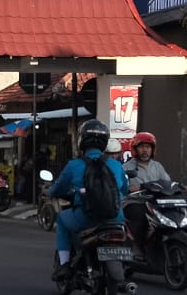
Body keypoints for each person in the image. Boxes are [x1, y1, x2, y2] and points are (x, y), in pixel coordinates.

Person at [50, 120, 129, 281]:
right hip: (116, 218)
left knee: (62, 220)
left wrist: (51, 191)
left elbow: (58, 189)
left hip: (86, 218)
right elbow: (124, 189)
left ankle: (64, 265)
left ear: (82, 140)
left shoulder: (74, 165)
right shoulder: (116, 165)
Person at [122, 132, 177, 244]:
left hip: (156, 202)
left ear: (152, 149)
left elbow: (167, 182)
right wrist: (129, 187)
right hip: (135, 202)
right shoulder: (126, 167)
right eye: (142, 147)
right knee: (141, 215)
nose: (145, 150)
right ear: (135, 149)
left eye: (148, 147)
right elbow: (121, 185)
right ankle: (137, 245)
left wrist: (178, 186)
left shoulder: (157, 166)